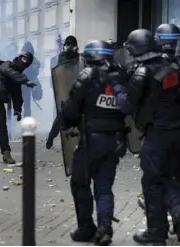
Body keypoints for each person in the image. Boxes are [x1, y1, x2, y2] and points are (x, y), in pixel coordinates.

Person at [113, 29, 180, 245]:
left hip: (157, 136)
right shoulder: (173, 67)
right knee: (171, 178)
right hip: (178, 132)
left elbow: (126, 106)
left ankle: (156, 233)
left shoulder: (142, 73)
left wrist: (118, 86)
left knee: (152, 183)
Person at [61, 40, 127, 245]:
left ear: (90, 57)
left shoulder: (87, 76)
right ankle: (105, 230)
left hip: (92, 140)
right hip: (116, 140)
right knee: (104, 187)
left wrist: (66, 119)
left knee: (80, 182)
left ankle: (87, 228)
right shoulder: (121, 75)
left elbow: (71, 110)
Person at [46, 35, 80, 149]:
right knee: (61, 116)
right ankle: (51, 137)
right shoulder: (62, 56)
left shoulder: (79, 57)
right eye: (68, 44)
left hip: (78, 89)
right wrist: (67, 52)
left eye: (72, 44)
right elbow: (63, 66)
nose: (70, 47)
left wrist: (74, 53)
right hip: (66, 90)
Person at [20, 41, 42, 117]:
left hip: (22, 83)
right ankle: (26, 119)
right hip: (27, 83)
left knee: (23, 104)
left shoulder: (22, 58)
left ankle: (24, 119)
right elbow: (38, 66)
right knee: (26, 104)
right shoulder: (32, 58)